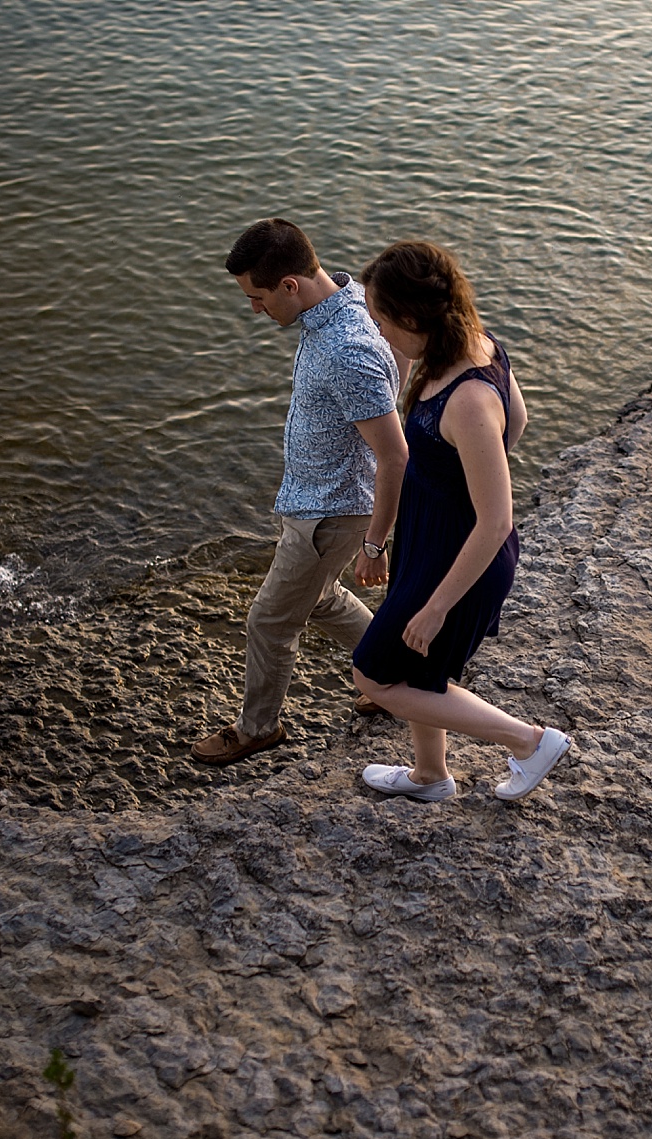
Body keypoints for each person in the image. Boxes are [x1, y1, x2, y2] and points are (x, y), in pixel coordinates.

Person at [351, 241, 571, 801]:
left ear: (409, 316)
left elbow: (496, 520)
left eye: (381, 320)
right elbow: (517, 424)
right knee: (423, 670)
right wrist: (456, 477)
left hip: (463, 551)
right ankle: (430, 776)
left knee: (375, 675)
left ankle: (529, 742)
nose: (379, 333)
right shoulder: (480, 344)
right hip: (429, 534)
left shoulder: (467, 400)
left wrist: (437, 605)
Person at [191, 218, 409, 766]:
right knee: (319, 599)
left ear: (291, 284)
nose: (255, 310)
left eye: (258, 298)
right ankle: (396, 672)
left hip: (329, 513)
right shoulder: (353, 298)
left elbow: (395, 454)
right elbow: (400, 357)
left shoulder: (344, 350)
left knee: (269, 621)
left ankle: (258, 728)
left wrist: (375, 544)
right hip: (315, 501)